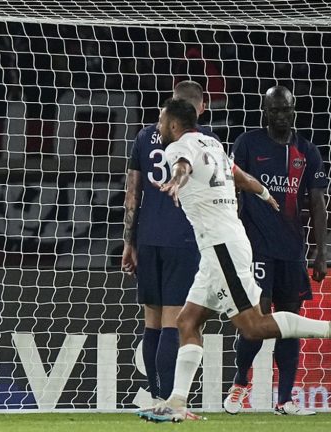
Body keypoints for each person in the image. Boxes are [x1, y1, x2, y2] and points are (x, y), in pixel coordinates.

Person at [136, 98, 331, 423]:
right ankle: (176, 402)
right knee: (187, 322)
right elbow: (239, 175)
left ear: (174, 124)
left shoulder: (177, 148)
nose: (159, 128)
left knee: (253, 326)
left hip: (221, 249)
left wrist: (177, 180)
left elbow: (184, 164)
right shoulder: (212, 143)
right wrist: (264, 193)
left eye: (161, 122)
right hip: (220, 247)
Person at [223, 85, 329, 416]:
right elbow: (231, 191)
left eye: (286, 109)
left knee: (291, 322)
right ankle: (241, 384)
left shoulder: (307, 151)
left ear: (295, 110)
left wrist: (320, 252)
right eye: (274, 110)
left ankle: (285, 400)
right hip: (255, 249)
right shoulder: (247, 144)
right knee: (258, 318)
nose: (281, 115)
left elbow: (317, 202)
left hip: (293, 251)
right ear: (265, 112)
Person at [122, 81, 218, 416]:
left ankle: (156, 397)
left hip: (147, 237)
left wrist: (128, 242)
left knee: (151, 322)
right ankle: (166, 401)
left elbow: (132, 194)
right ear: (199, 108)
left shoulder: (143, 137)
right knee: (174, 324)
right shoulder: (206, 141)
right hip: (184, 238)